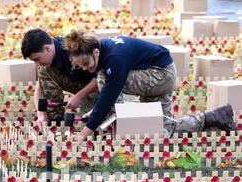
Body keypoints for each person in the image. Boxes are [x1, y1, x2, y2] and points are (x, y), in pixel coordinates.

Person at [64, 30, 237, 140]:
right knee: (158, 131)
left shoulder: (114, 59)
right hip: (156, 72)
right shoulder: (105, 51)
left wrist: (85, 132)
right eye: (82, 66)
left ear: (96, 51)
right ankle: (214, 117)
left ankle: (124, 123)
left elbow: (109, 93)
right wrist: (96, 111)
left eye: (86, 62)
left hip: (161, 74)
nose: (86, 69)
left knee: (103, 78)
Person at [21, 29, 98, 128]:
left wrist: (79, 96)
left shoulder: (74, 48)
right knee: (43, 71)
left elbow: (100, 77)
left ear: (47, 49)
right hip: (79, 84)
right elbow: (40, 88)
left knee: (92, 123)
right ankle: (55, 120)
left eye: (37, 59)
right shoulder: (47, 62)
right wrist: (40, 114)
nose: (37, 63)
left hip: (98, 87)